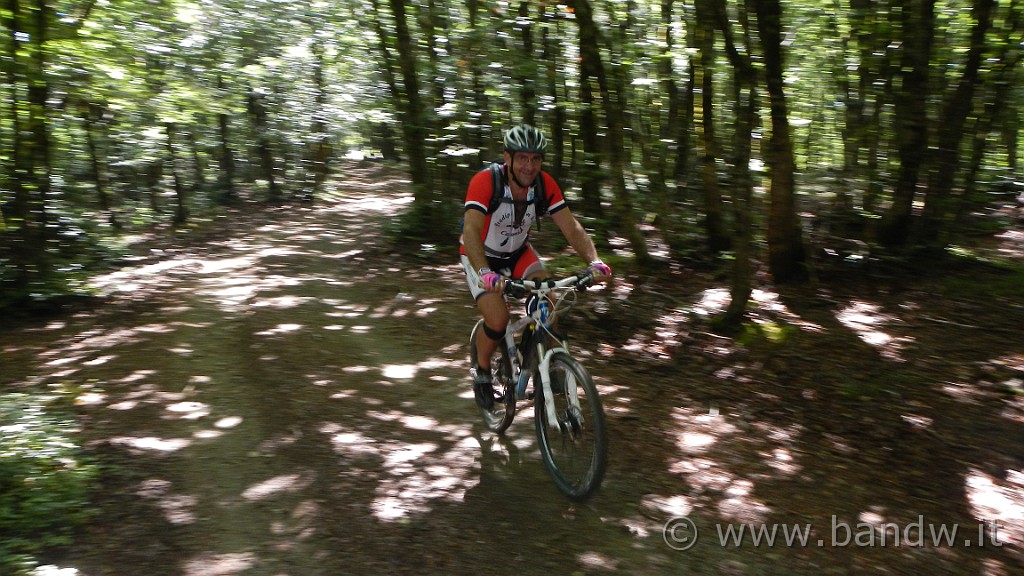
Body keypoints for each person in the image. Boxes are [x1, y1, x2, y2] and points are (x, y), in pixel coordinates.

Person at [459, 124, 611, 410]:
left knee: (548, 302)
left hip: (518, 253)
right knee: (498, 319)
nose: (530, 166)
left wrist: (594, 261)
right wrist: (484, 272)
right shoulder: (486, 182)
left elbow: (571, 227)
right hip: (480, 255)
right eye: (523, 158)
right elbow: (471, 230)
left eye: (536, 159)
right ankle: (480, 371)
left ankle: (551, 366)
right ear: (508, 158)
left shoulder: (544, 185)